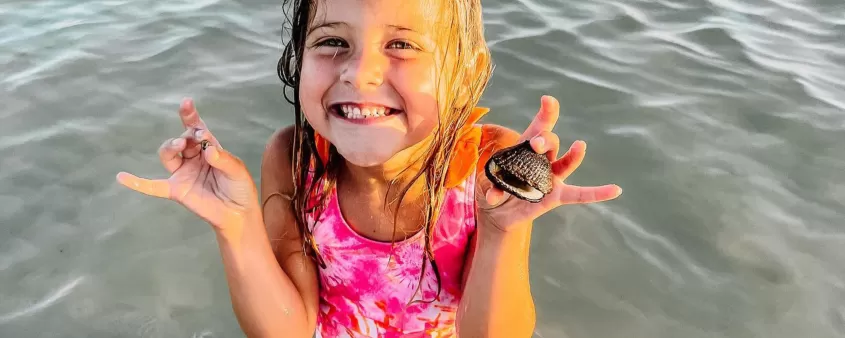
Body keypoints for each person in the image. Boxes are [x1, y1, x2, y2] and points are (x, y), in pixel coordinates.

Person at [115, 0, 622, 336]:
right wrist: (236, 227)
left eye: (401, 44)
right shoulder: (293, 158)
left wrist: (501, 232)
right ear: (298, 57)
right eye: (331, 42)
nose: (360, 72)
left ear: (464, 69)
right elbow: (289, 329)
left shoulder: (489, 166)